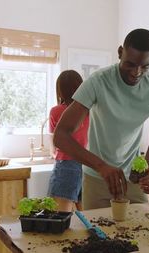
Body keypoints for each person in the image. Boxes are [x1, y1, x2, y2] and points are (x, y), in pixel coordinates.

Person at [53, 28, 149, 210]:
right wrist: (102, 167)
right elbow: (61, 135)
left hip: (133, 178)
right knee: (98, 236)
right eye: (130, 64)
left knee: (142, 235)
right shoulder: (98, 81)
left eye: (145, 66)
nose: (136, 72)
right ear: (120, 53)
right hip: (97, 178)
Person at [47, 70, 90, 212]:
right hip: (87, 164)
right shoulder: (89, 111)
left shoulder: (56, 111)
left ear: (60, 91)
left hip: (66, 164)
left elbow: (55, 140)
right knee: (87, 217)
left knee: (59, 216)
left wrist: (54, 154)